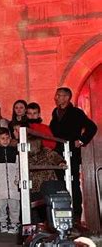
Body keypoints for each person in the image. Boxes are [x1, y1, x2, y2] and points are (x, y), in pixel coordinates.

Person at [49, 87, 98, 224]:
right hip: (57, 153)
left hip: (71, 152)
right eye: (56, 95)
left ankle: (76, 216)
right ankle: (61, 214)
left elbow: (92, 127)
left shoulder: (76, 112)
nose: (57, 97)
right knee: (60, 183)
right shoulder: (55, 112)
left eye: (60, 95)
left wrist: (81, 140)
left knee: (73, 183)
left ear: (67, 97)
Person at [0, 127, 20, 234]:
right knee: (1, 206)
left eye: (7, 138)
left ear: (10, 138)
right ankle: (3, 223)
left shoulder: (15, 152)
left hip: (13, 185)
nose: (5, 140)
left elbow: (19, 167)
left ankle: (14, 223)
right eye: (2, 138)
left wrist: (18, 178)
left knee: (14, 205)